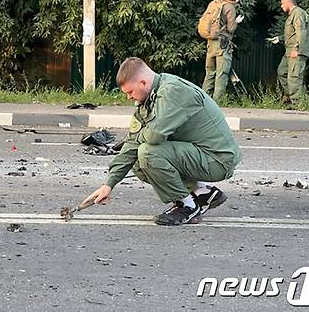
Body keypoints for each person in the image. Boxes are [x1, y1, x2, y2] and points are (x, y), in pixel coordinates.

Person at [84, 57, 242, 226]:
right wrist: (108, 184)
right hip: (200, 154)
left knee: (148, 152)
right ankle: (202, 192)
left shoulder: (173, 92)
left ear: (143, 83)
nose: (129, 98)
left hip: (217, 159)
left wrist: (138, 138)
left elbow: (154, 136)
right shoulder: (149, 98)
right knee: (137, 159)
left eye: (130, 92)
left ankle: (187, 207)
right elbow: (132, 142)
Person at [268, 0, 309, 107]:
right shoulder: (292, 15)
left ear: (289, 1)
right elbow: (292, 34)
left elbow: (301, 32)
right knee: (282, 71)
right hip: (289, 51)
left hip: (296, 52)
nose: (281, 6)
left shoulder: (298, 13)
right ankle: (291, 97)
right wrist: (279, 39)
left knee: (294, 77)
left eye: (283, 3)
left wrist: (297, 49)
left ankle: (297, 105)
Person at [201, 0, 244, 103]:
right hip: (222, 44)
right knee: (222, 73)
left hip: (211, 42)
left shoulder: (214, 3)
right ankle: (217, 103)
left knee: (210, 73)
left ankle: (204, 102)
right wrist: (236, 22)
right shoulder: (230, 7)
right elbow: (230, 28)